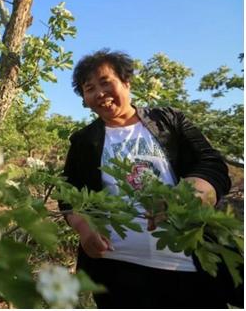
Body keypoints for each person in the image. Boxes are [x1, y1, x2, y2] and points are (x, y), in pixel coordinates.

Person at [60, 49, 240, 308]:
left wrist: (189, 196)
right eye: (89, 88)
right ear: (85, 100)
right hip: (117, 269)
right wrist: (85, 230)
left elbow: (211, 164)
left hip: (188, 265)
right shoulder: (83, 141)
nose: (99, 93)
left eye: (105, 82)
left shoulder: (169, 120)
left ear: (126, 82)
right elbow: (68, 193)